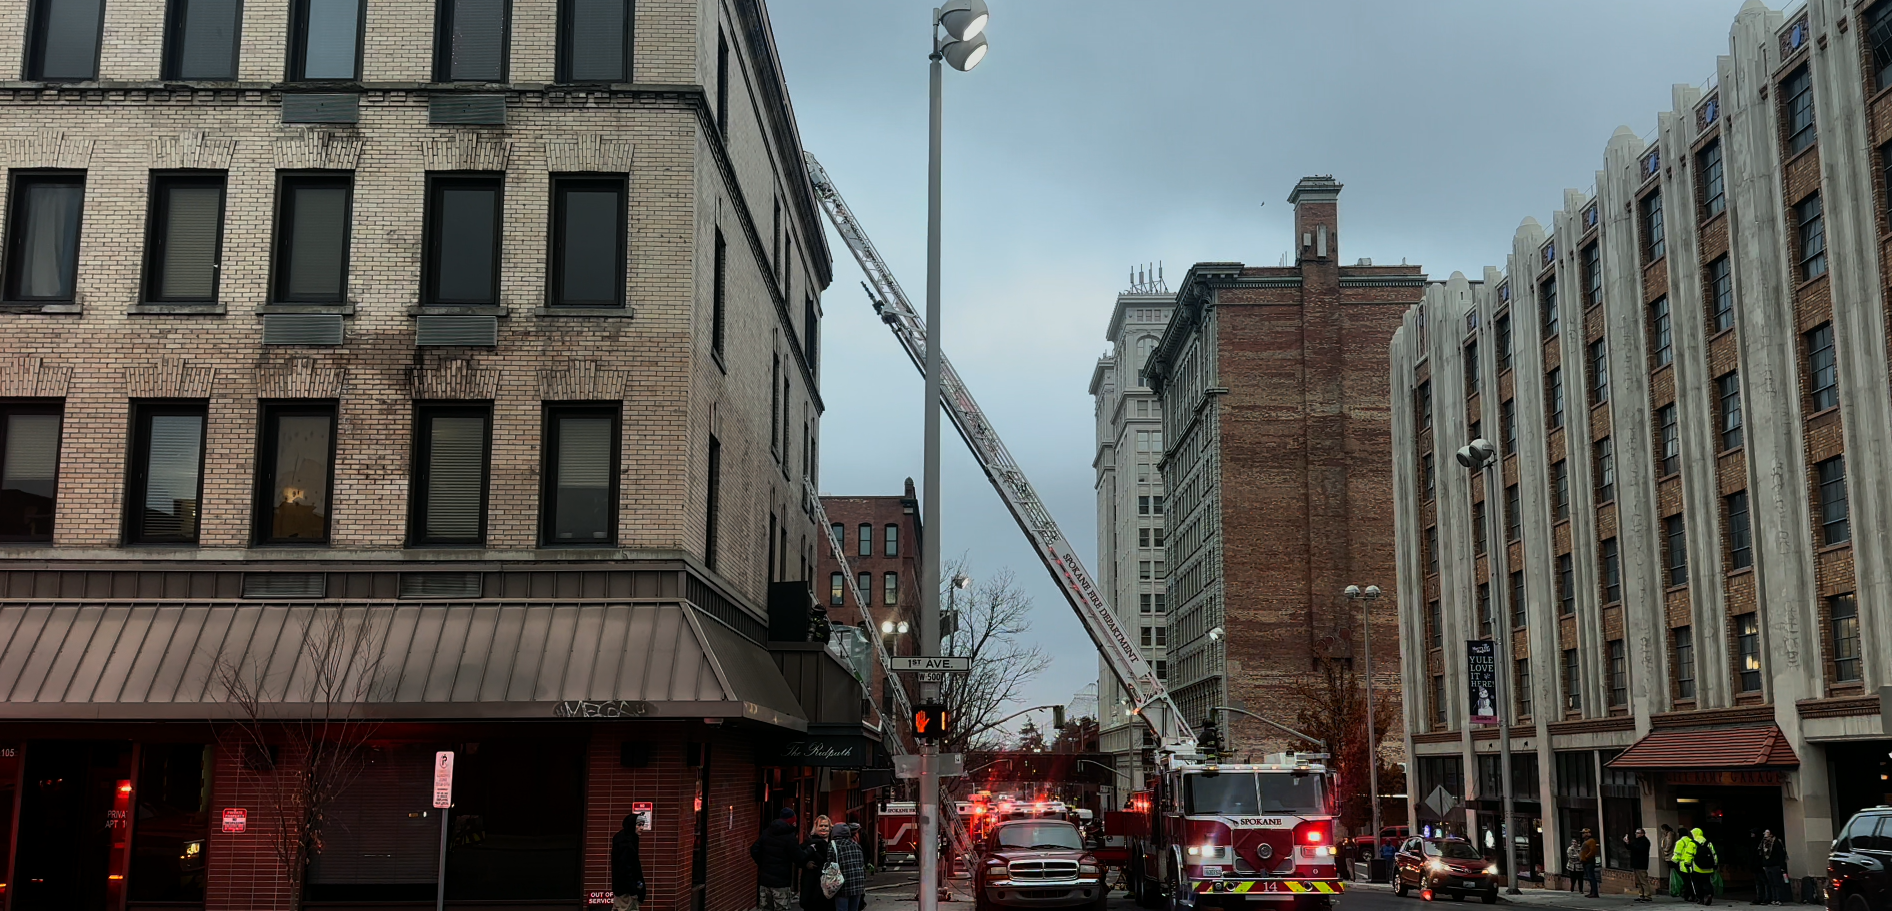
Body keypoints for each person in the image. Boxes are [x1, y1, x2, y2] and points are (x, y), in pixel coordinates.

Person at [751, 808, 802, 911]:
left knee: (765, 908)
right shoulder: (789, 837)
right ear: (792, 821)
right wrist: (810, 849)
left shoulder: (767, 832)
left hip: (765, 881)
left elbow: (754, 849)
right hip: (781, 882)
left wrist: (762, 863)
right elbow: (799, 858)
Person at [612, 813, 647, 911]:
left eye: (642, 825)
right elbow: (625, 869)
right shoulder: (626, 844)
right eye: (639, 825)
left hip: (624, 890)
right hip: (626, 892)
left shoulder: (625, 839)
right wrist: (633, 891)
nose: (642, 828)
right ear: (632, 825)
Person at [800, 816, 835, 911]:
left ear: (830, 828)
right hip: (812, 882)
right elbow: (798, 856)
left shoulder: (833, 844)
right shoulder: (809, 843)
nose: (823, 828)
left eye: (826, 826)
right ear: (816, 827)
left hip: (828, 883)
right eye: (821, 826)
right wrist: (805, 863)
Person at [831, 823, 869, 911]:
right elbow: (861, 863)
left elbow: (831, 864)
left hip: (842, 884)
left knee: (841, 908)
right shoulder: (856, 845)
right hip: (858, 884)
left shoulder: (834, 845)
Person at [1678, 827, 1718, 906]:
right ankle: (1709, 894)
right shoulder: (1708, 843)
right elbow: (1714, 854)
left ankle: (1701, 898)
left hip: (1697, 867)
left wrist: (1687, 863)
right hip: (1708, 867)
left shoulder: (1692, 843)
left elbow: (1689, 854)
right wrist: (1715, 864)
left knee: (1697, 883)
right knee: (1707, 881)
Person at [1755, 829, 1787, 906]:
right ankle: (1774, 898)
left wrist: (1782, 866)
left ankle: (1779, 899)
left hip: (1775, 865)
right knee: (1771, 883)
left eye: (1767, 832)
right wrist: (1763, 864)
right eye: (1765, 832)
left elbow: (1781, 854)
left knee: (1777, 883)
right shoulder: (1763, 842)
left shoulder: (1776, 842)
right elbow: (1761, 853)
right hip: (1767, 865)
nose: (1765, 834)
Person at [1627, 827, 1653, 902]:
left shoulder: (1644, 841)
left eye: (1638, 833)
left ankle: (1647, 895)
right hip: (1635, 863)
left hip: (1641, 863)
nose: (1636, 834)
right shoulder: (1636, 841)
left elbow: (1639, 849)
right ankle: (1642, 895)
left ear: (1642, 834)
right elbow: (1630, 847)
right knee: (1638, 881)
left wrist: (1631, 845)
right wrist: (1627, 843)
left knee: (1643, 880)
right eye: (1636, 833)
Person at [1581, 828, 1601, 898]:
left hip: (1589, 861)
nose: (1582, 834)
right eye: (1582, 833)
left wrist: (1586, 857)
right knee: (1589, 877)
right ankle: (1592, 892)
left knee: (1591, 877)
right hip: (1585, 862)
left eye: (1584, 833)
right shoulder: (1586, 841)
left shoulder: (1591, 841)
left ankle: (1595, 893)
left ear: (1588, 834)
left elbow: (1592, 851)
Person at [1660, 826, 1679, 898]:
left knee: (1672, 869)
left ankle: (1674, 885)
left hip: (1669, 855)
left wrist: (1666, 850)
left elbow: (1669, 843)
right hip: (1667, 855)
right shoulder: (1665, 835)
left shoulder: (1670, 834)